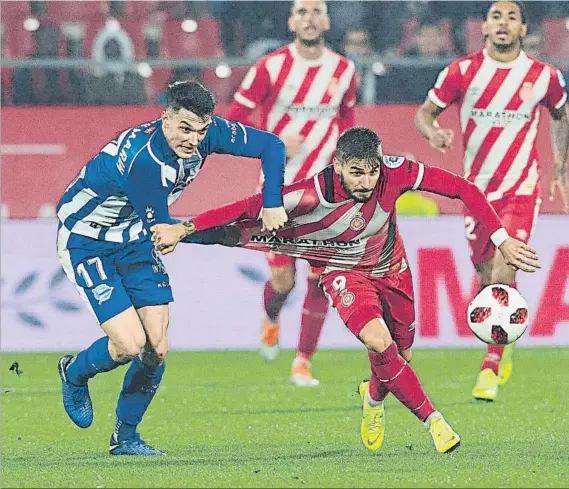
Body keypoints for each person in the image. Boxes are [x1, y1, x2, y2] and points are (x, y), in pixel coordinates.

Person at [150, 127, 541, 453]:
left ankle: (371, 397)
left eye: (371, 173)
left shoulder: (397, 172)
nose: (365, 183)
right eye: (355, 173)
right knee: (378, 340)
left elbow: (462, 189)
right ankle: (434, 422)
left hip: (393, 271)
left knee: (400, 356)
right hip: (342, 273)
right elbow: (244, 209)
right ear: (338, 166)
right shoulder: (310, 194)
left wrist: (503, 239)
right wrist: (184, 229)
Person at [56, 80, 287, 456]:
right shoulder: (144, 161)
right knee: (130, 344)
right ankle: (74, 372)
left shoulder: (207, 133)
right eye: (184, 128)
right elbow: (166, 234)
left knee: (157, 349)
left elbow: (271, 146)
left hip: (133, 238)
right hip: (89, 241)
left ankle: (125, 438)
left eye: (200, 130)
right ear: (165, 118)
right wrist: (230, 236)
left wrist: (272, 201)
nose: (193, 140)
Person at [415, 0, 569, 401]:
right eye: (496, 16)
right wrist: (432, 132)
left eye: (512, 17)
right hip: (476, 193)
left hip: (522, 188)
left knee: (503, 268)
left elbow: (560, 115)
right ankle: (508, 335)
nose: (503, 23)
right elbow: (425, 113)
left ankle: (490, 365)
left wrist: (559, 169)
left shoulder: (543, 76)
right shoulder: (462, 72)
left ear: (523, 30)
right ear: (483, 27)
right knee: (487, 278)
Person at [226, 0, 357, 386]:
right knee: (285, 282)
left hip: (327, 195)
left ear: (327, 20)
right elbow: (233, 121)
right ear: (291, 21)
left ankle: (302, 361)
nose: (310, 18)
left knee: (321, 279)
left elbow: (347, 122)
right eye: (302, 11)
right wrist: (272, 142)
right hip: (278, 193)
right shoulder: (269, 67)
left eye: (317, 10)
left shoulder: (344, 70)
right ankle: (271, 319)